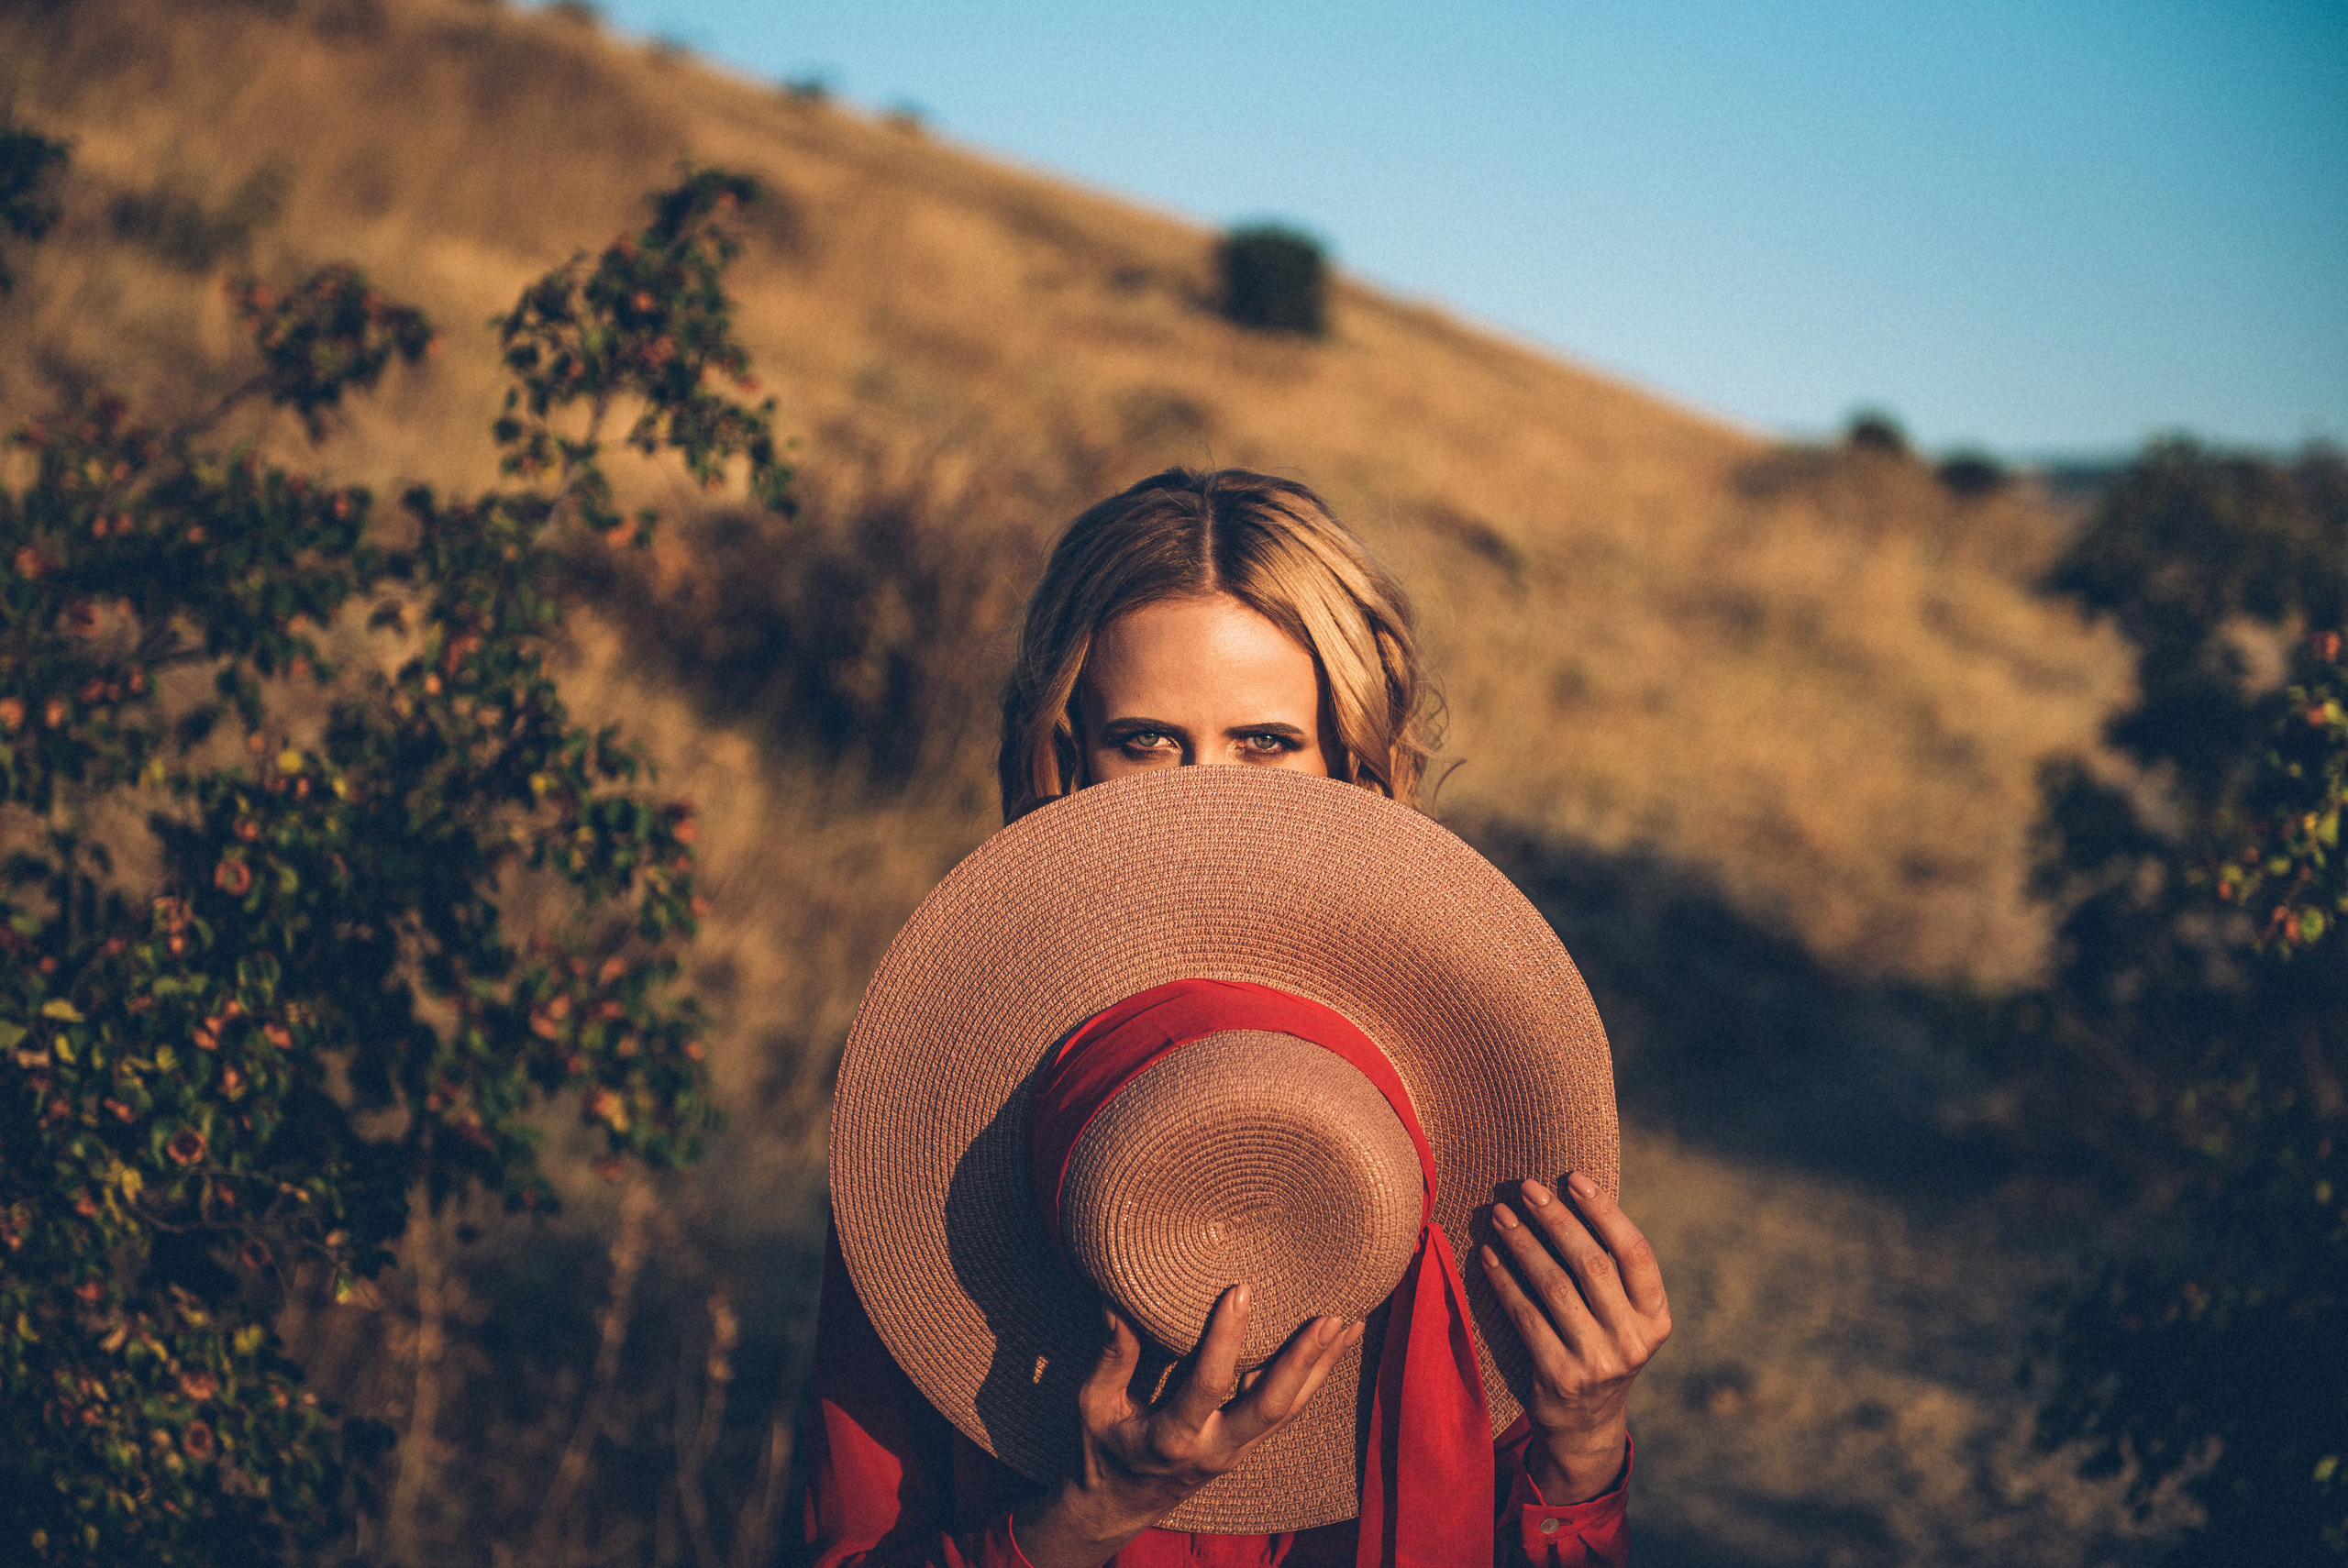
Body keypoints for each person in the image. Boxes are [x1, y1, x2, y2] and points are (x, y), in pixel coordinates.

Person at [803, 469, 1671, 1567]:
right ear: (1066, 755)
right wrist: (1084, 1519)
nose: (1201, 795)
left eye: (1264, 742)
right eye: (1148, 740)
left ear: (1351, 763)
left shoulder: (1467, 1099)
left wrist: (1583, 1451)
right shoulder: (942, 1107)